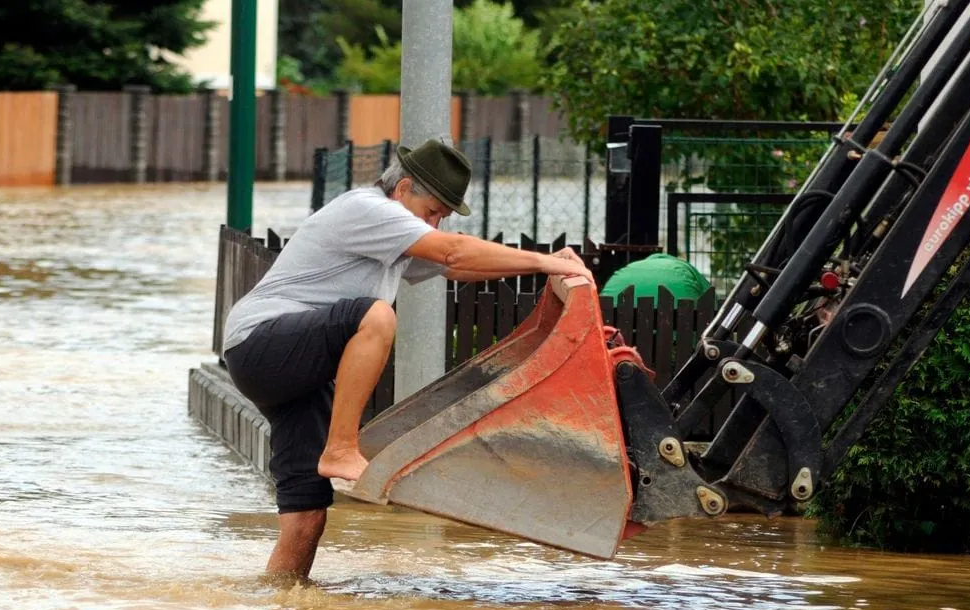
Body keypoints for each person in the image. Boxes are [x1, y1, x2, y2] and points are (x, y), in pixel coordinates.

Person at [222, 138, 593, 582]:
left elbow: (456, 269)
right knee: (376, 316)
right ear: (403, 189)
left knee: (308, 513)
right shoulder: (368, 209)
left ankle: (281, 604)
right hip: (259, 344)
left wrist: (542, 267)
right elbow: (452, 251)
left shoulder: (390, 232)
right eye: (434, 212)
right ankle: (340, 449)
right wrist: (545, 261)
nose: (435, 223)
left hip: (294, 372)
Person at [600, 252, 711, 305]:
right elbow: (711, 298)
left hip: (616, 336)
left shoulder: (628, 269)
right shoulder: (687, 270)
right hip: (678, 337)